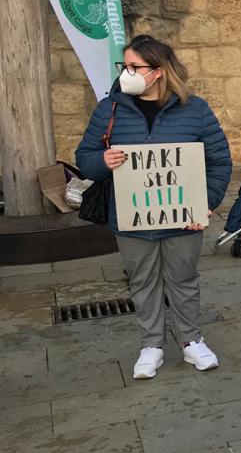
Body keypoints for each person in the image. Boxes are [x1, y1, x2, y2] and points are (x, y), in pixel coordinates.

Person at [75, 35, 232, 380]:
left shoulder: (196, 109)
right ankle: (152, 346)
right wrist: (102, 160)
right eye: (124, 66)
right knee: (142, 281)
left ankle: (192, 340)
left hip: (182, 217)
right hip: (131, 218)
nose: (126, 72)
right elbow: (84, 159)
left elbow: (219, 161)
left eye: (134, 66)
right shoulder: (109, 109)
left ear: (158, 71)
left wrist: (205, 203)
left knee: (184, 279)